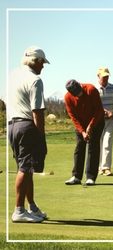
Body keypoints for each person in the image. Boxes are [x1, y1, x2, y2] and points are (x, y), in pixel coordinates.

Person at [8, 46, 50, 223]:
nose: (43, 66)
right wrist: (41, 137)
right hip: (27, 126)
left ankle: (31, 206)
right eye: (42, 63)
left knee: (27, 167)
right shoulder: (35, 80)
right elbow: (37, 112)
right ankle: (19, 210)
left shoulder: (13, 76)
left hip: (12, 126)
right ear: (37, 61)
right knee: (25, 169)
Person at [64, 79, 105, 185]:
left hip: (97, 122)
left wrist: (90, 126)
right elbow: (73, 117)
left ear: (80, 86)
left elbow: (99, 111)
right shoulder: (68, 97)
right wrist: (82, 131)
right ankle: (76, 177)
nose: (79, 95)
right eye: (76, 94)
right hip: (81, 124)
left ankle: (91, 177)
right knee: (79, 146)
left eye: (79, 91)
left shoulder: (91, 90)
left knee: (93, 146)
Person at [96, 67, 113, 176]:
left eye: (107, 76)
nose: (105, 78)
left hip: (111, 120)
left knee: (107, 143)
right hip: (97, 120)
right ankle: (98, 168)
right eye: (103, 76)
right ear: (98, 76)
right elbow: (93, 106)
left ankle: (106, 168)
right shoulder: (94, 89)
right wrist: (104, 111)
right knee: (98, 144)